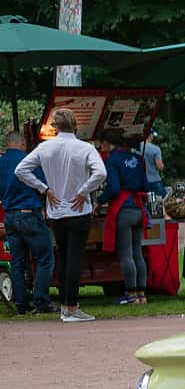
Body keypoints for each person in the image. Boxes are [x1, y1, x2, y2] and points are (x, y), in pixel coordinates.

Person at [13, 108, 106, 322]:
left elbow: (21, 170)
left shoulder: (45, 148)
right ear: (75, 125)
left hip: (55, 210)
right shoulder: (85, 148)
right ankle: (71, 307)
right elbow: (101, 173)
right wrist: (84, 191)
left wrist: (44, 189)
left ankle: (66, 306)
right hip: (78, 209)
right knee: (74, 257)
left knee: (63, 256)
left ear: (54, 126)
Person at [2, 130, 55, 314]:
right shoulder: (29, 160)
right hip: (29, 214)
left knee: (17, 262)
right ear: (23, 144)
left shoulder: (1, 162)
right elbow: (44, 184)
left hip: (9, 215)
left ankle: (21, 305)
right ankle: (42, 302)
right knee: (45, 258)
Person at [102, 132, 151, 306]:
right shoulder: (136, 158)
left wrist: (100, 200)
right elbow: (146, 185)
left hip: (123, 209)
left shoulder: (112, 160)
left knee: (126, 254)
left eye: (103, 144)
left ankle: (130, 293)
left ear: (109, 144)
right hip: (138, 208)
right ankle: (141, 294)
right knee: (138, 252)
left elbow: (113, 188)